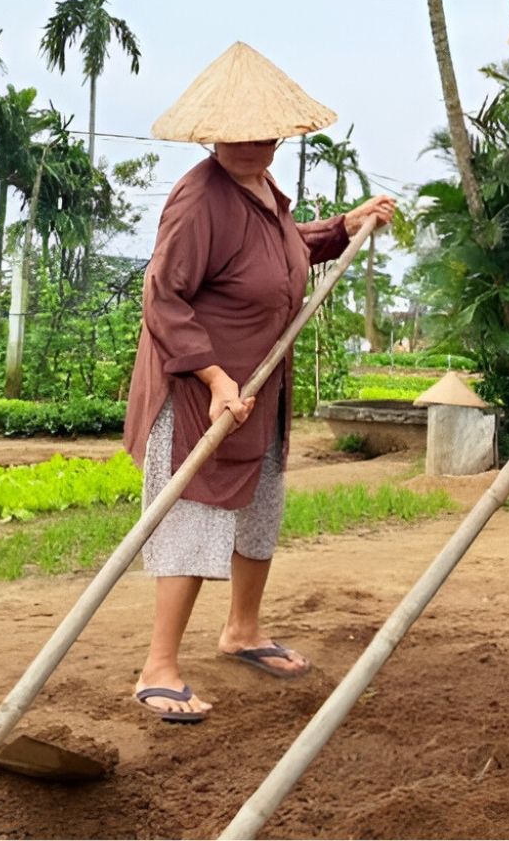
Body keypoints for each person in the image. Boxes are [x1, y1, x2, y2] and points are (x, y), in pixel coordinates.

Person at [125, 41, 394, 723]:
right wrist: (214, 377)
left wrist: (345, 226)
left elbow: (285, 248)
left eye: (262, 132)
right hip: (200, 393)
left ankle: (242, 630)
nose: (250, 143)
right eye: (236, 133)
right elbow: (164, 301)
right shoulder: (197, 200)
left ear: (279, 132)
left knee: (258, 508)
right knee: (195, 514)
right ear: (214, 133)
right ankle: (159, 667)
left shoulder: (264, 193)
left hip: (259, 388)